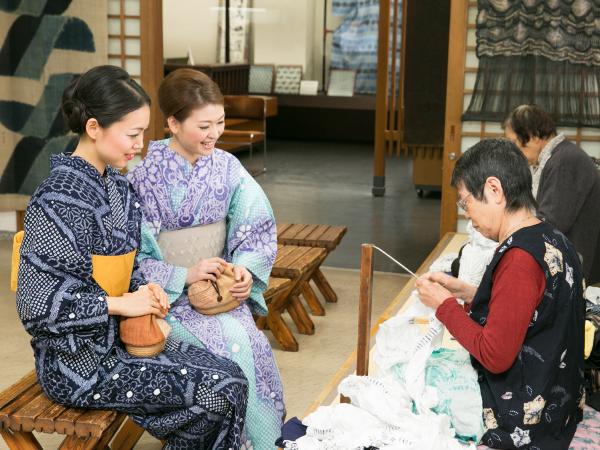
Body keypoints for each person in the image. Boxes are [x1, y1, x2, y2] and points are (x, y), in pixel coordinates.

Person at [16, 65, 248, 449]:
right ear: (94, 128)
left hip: (124, 342)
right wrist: (122, 303)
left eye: (142, 133)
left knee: (232, 376)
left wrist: (145, 290)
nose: (140, 144)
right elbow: (38, 307)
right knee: (218, 391)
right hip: (77, 363)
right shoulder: (58, 198)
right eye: (132, 134)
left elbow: (131, 266)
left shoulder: (119, 187)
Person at [128, 68, 284, 449]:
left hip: (218, 294)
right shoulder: (143, 177)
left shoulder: (228, 168)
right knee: (225, 351)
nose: (214, 133)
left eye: (220, 122)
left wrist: (243, 270)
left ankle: (265, 443)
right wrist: (184, 274)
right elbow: (131, 256)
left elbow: (255, 222)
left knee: (251, 343)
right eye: (203, 126)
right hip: (168, 301)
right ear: (173, 123)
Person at [416, 139, 586, 449]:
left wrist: (444, 306)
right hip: (559, 407)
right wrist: (469, 293)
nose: (467, 214)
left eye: (466, 202)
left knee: (415, 385)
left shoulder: (520, 258)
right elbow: (537, 310)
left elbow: (495, 356)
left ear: (494, 189)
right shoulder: (552, 236)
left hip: (527, 421)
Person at [504, 104, 600, 284]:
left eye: (515, 142)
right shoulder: (557, 156)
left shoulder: (565, 161)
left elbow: (551, 222)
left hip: (575, 260)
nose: (515, 150)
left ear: (533, 136)